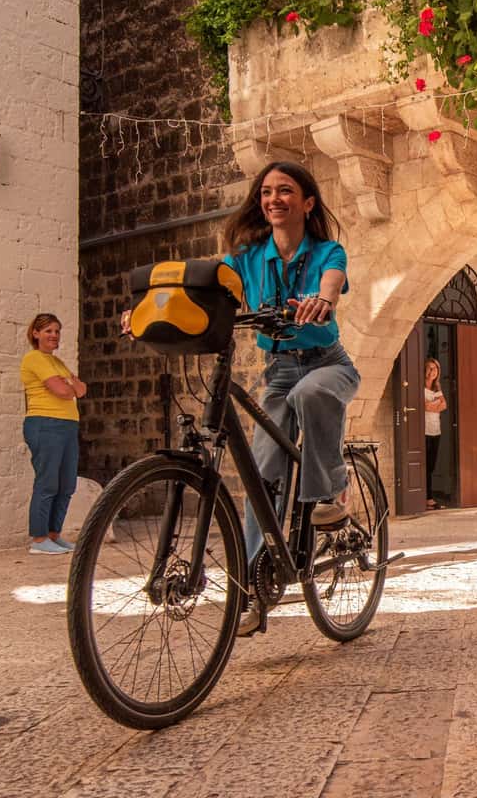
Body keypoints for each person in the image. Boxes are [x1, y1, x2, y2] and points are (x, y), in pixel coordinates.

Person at [123, 160, 360, 635]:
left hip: (327, 363)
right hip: (277, 374)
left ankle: (329, 495)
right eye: (267, 191)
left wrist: (323, 301)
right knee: (262, 476)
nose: (274, 199)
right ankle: (252, 587)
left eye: (286, 191)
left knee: (313, 394)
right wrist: (143, 310)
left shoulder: (327, 251)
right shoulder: (247, 258)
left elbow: (332, 281)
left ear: (307, 203)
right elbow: (204, 284)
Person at [20, 313, 86, 555]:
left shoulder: (57, 363)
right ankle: (38, 540)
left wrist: (70, 385)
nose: (54, 335)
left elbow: (81, 389)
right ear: (35, 333)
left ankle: (53, 535)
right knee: (47, 483)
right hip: (45, 424)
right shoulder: (34, 358)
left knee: (66, 484)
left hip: (68, 425)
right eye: (48, 330)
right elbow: (63, 391)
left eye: (57, 331)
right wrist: (69, 385)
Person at [424, 357, 446, 510]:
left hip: (435, 430)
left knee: (431, 466)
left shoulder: (436, 388)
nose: (432, 371)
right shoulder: (420, 387)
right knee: (424, 465)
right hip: (423, 430)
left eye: (435, 369)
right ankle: (428, 498)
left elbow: (444, 405)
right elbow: (423, 406)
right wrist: (434, 405)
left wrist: (431, 406)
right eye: (430, 368)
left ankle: (428, 497)